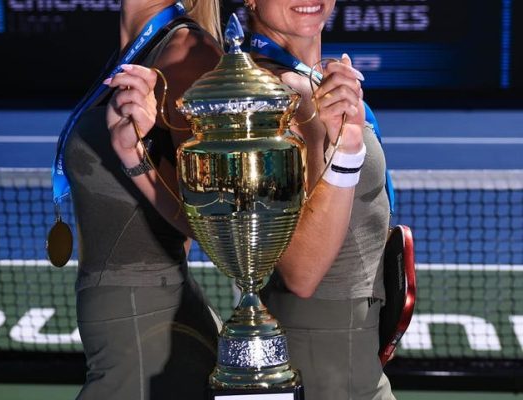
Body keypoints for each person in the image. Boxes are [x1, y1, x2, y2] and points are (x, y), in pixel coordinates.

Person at [57, 1, 223, 399]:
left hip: (146, 330)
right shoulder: (140, 49)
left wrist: (137, 159)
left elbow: (215, 221)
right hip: (134, 328)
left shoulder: (187, 53)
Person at [244, 1, 396, 399]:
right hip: (322, 356)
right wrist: (345, 152)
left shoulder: (313, 80)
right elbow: (302, 274)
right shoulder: (270, 96)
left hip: (350, 345)